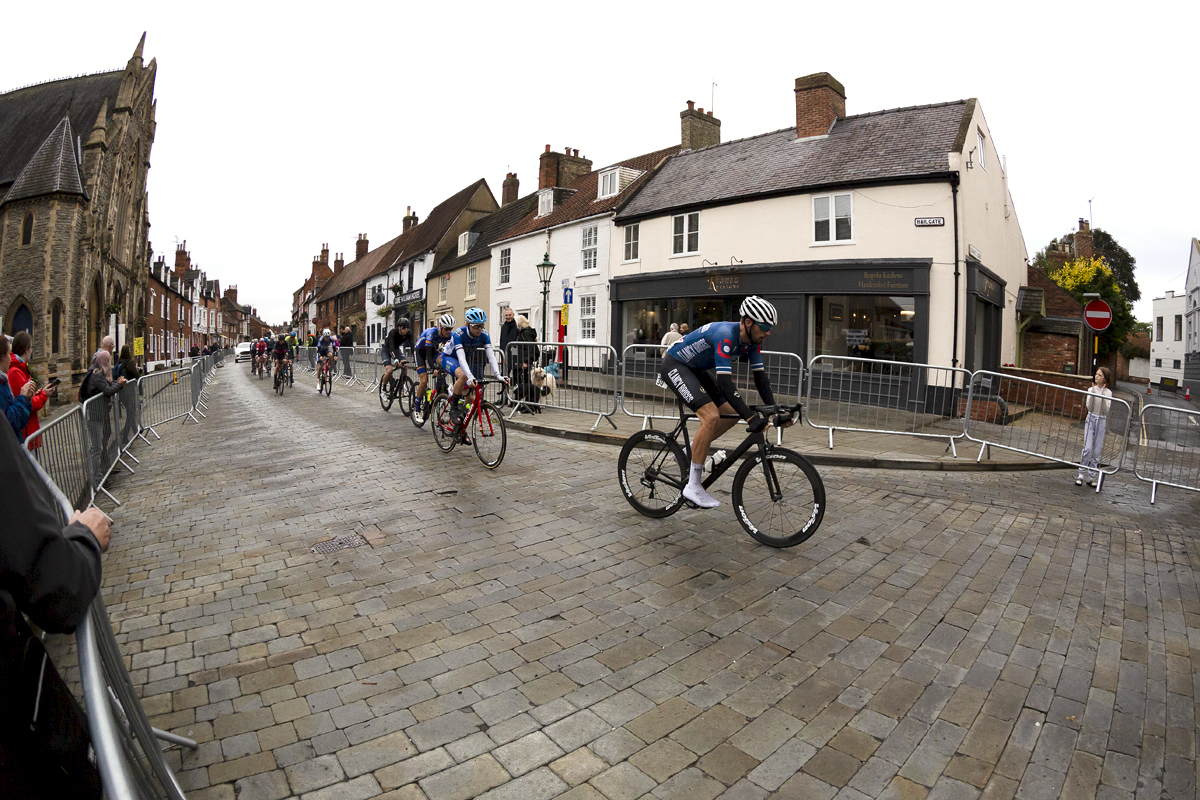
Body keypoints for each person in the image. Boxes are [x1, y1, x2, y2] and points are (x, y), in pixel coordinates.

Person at [659, 296, 790, 509]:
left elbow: (760, 378)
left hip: (696, 369)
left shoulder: (752, 342)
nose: (768, 332)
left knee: (730, 413)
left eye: (770, 328)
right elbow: (725, 383)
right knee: (710, 416)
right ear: (748, 322)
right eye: (765, 327)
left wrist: (775, 411)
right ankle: (693, 485)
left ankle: (689, 452)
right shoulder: (725, 336)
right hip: (675, 365)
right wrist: (750, 417)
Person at [439, 308, 508, 433]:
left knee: (470, 399)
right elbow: (461, 357)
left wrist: (498, 375)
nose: (479, 329)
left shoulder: (484, 335)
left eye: (481, 326)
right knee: (464, 376)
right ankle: (454, 407)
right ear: (467, 324)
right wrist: (470, 376)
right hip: (449, 358)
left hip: (463, 362)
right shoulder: (459, 334)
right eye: (476, 326)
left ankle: (460, 428)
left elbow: (491, 356)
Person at [8, 331, 56, 444]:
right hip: (25, 433)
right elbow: (27, 403)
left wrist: (38, 393)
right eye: (31, 347)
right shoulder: (15, 372)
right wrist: (44, 395)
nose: (32, 351)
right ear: (26, 349)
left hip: (29, 430)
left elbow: (27, 398)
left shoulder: (21, 369)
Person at [1076, 366, 1114, 487]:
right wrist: (1093, 392)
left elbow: (1105, 410)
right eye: (1096, 374)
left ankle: (1091, 477)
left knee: (1096, 451)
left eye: (1100, 375)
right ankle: (1081, 474)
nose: (1096, 376)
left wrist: (1102, 393)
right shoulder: (1090, 389)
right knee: (1087, 448)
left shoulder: (1108, 393)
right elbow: (1089, 407)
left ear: (1105, 379)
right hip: (1091, 419)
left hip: (1101, 421)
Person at [413, 315, 455, 414]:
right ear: (440, 326)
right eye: (446, 329)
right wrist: (433, 369)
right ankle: (417, 408)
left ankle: (439, 389)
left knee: (444, 359)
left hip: (432, 350)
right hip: (420, 352)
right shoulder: (430, 333)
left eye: (450, 329)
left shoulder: (450, 335)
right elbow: (428, 355)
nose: (448, 331)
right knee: (424, 381)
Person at [0, 336, 34, 438]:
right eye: (8, 354)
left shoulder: (3, 380)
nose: (11, 358)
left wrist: (26, 398)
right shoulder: (12, 374)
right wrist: (23, 398)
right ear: (2, 357)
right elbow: (7, 422)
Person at [116, 345, 141, 446]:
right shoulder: (129, 363)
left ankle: (135, 431)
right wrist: (136, 369)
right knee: (131, 412)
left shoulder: (119, 363)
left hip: (121, 392)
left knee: (131, 411)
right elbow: (137, 376)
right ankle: (125, 435)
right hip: (129, 392)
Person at [512, 315, 539, 411]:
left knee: (526, 382)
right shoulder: (522, 332)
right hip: (520, 359)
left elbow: (529, 348)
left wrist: (526, 361)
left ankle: (530, 404)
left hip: (525, 360)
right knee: (522, 381)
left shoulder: (526, 333)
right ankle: (522, 402)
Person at [381, 318, 412, 390]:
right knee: (389, 370)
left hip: (396, 349)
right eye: (404, 327)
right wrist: (395, 359)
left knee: (405, 365)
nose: (406, 329)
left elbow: (413, 347)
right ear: (399, 328)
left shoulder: (409, 333)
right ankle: (384, 386)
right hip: (387, 350)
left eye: (407, 327)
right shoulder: (393, 332)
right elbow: (391, 347)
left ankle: (402, 384)